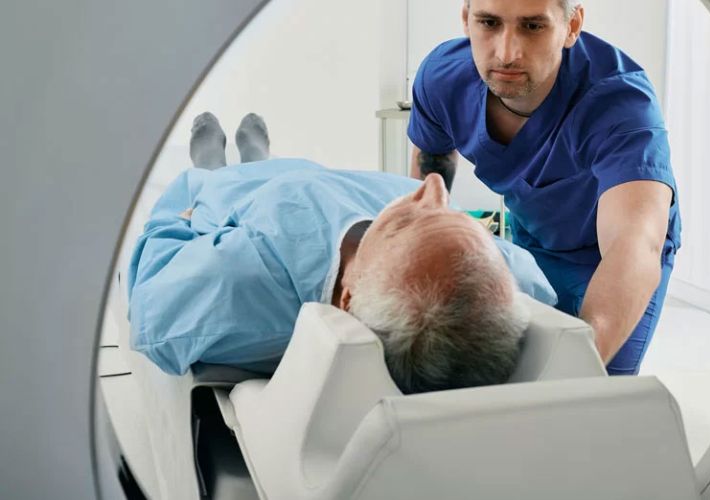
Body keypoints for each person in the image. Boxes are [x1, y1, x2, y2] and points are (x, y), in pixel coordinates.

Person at [127, 112, 557, 394]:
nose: (434, 186)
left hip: (242, 203)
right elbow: (535, 284)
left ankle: (209, 165)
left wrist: (178, 220)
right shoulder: (513, 279)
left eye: (408, 223)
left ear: (347, 298)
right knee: (284, 167)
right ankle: (259, 156)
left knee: (212, 183)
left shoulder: (240, 284)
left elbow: (152, 300)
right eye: (452, 216)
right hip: (330, 183)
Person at [407, 0, 681, 375]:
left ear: (571, 26)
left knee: (592, 388)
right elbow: (430, 173)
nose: (506, 53)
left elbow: (633, 243)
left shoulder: (620, 104)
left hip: (611, 257)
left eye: (533, 26)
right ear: (466, 19)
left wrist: (575, 370)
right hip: (534, 238)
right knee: (509, 367)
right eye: (488, 22)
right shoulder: (442, 78)